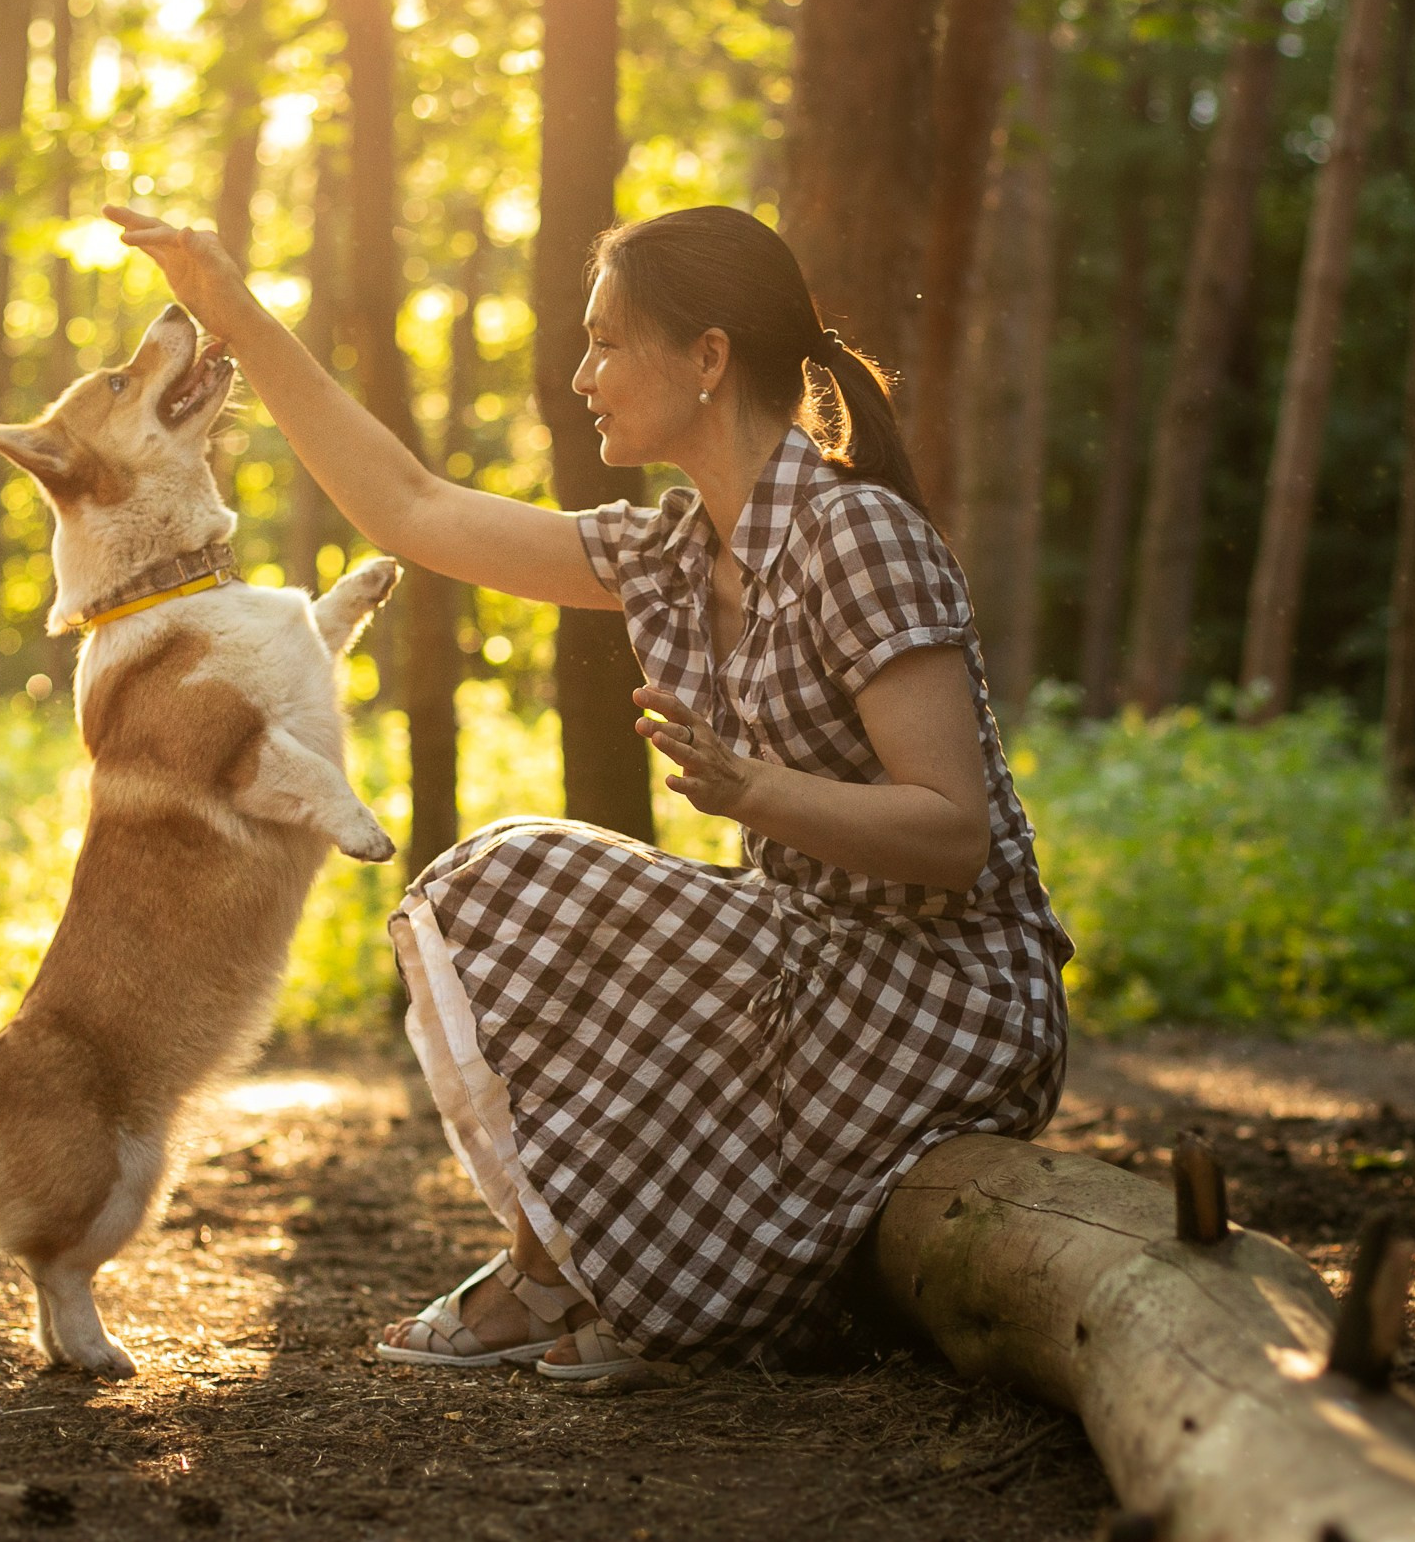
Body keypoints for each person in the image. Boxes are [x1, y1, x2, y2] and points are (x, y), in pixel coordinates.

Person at [105, 201, 1071, 1380]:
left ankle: (558, 1278)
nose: (581, 374)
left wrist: (754, 791)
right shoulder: (669, 552)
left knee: (528, 874)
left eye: (609, 341)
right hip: (816, 960)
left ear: (708, 357)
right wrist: (229, 310)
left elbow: (955, 832)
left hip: (951, 990)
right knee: (488, 885)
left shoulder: (852, 533)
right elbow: (412, 506)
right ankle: (576, 1269)